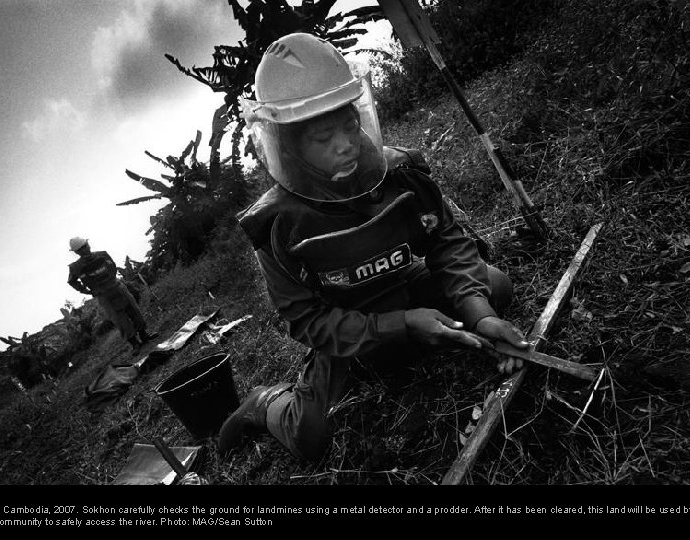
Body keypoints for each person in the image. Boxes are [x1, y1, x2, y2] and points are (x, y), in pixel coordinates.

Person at [218, 33, 529, 462]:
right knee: (310, 436)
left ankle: (411, 343)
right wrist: (397, 325)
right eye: (323, 137)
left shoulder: (400, 173)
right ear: (289, 146)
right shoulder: (276, 226)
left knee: (495, 287)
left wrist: (480, 313)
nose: (344, 143)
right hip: (348, 327)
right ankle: (264, 402)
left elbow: (447, 241)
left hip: (403, 288)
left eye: (349, 124)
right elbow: (306, 321)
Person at [67, 237, 151, 354]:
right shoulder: (75, 267)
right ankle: (135, 344)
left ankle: (144, 335)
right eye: (81, 248)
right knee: (119, 319)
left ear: (88, 244)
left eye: (86, 245)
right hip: (103, 295)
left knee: (134, 309)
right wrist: (85, 291)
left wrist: (111, 280)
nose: (85, 249)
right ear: (76, 252)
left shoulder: (102, 255)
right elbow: (72, 281)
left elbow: (113, 267)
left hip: (117, 286)